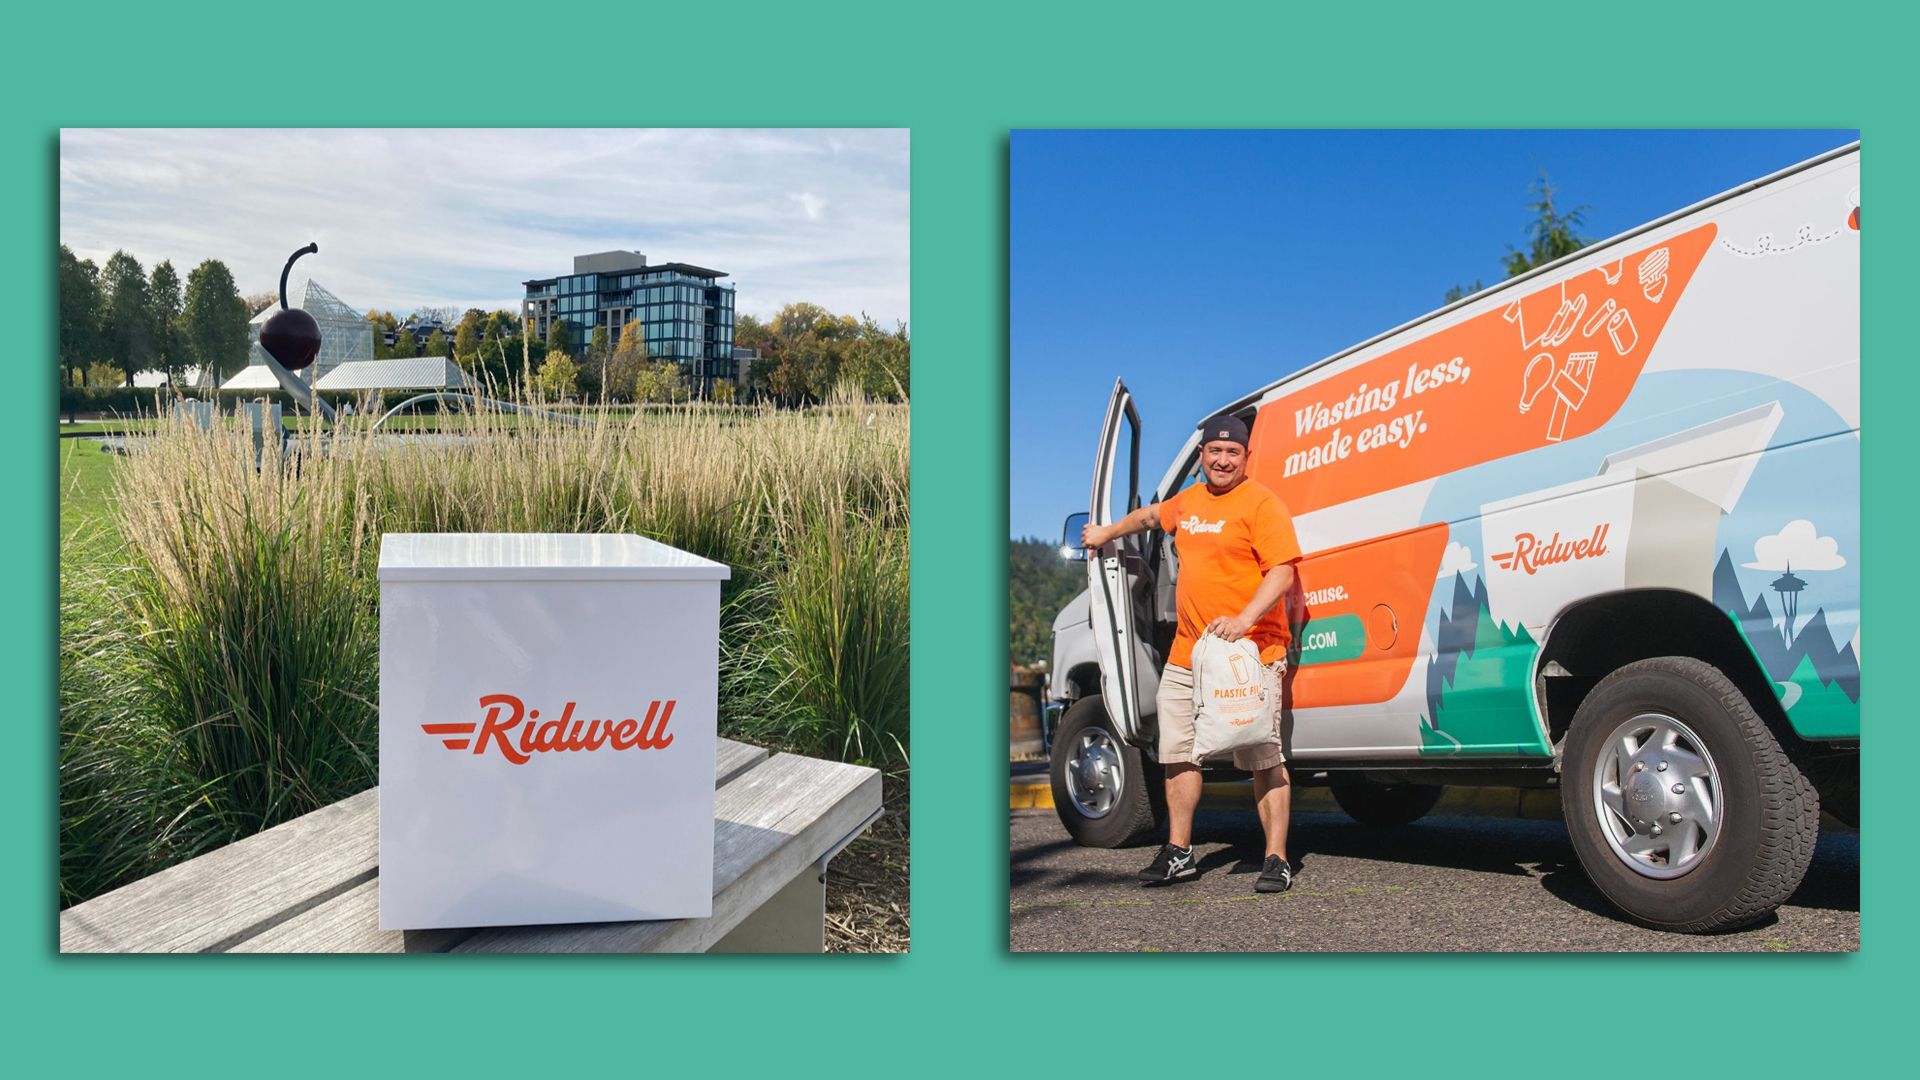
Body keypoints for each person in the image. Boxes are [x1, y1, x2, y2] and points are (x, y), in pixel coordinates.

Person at [1081, 414, 1302, 893]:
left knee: (1264, 756)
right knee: (1178, 752)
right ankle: (1179, 851)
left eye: (1232, 452)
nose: (1223, 460)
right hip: (1189, 653)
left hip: (1250, 651)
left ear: (1246, 457)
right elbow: (1148, 518)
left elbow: (1282, 572)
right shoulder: (1189, 501)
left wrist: (1243, 619)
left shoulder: (1262, 503)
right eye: (1214, 451)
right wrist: (1106, 533)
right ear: (1202, 455)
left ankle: (1276, 858)